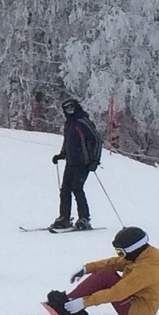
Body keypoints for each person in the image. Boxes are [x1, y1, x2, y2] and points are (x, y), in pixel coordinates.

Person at [46, 225, 159, 315]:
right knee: (106, 273)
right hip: (132, 299)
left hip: (137, 313)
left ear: (133, 249)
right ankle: (69, 301)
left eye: (121, 252)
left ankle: (67, 307)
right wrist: (87, 268)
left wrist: (84, 302)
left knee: (106, 276)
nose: (120, 256)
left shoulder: (145, 269)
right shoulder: (141, 256)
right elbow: (113, 263)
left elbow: (117, 293)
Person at [50, 96, 102, 231]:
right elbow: (68, 141)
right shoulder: (69, 123)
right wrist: (62, 155)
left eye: (71, 107)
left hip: (83, 162)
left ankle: (84, 218)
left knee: (77, 188)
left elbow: (96, 140)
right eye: (67, 108)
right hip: (71, 161)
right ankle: (64, 217)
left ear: (76, 107)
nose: (70, 110)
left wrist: (94, 160)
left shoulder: (82, 121)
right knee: (65, 189)